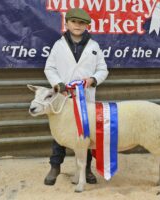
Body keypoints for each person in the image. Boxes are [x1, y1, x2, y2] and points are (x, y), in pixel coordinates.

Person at [43, 8, 109, 186]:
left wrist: (93, 79)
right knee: (60, 133)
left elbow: (103, 70)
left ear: (87, 25)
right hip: (63, 98)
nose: (78, 26)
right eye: (74, 22)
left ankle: (86, 169)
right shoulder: (59, 45)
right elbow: (49, 68)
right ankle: (55, 166)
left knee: (85, 132)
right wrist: (59, 84)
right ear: (67, 24)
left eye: (82, 23)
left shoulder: (94, 46)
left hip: (84, 98)